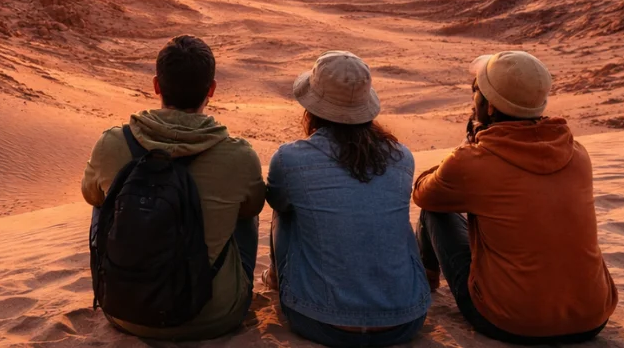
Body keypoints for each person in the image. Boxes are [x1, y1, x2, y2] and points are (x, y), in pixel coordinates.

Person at [414, 51, 618, 344]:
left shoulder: (473, 161)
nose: (474, 100)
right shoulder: (577, 154)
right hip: (592, 317)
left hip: (510, 321)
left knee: (435, 211)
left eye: (477, 92)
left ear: (491, 107)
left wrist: (468, 147)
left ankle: (428, 282)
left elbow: (423, 193)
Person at [82, 35, 265, 340]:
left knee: (103, 197)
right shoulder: (239, 155)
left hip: (124, 313)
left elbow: (91, 196)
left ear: (156, 85)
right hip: (216, 317)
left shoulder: (111, 143)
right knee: (246, 208)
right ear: (212, 90)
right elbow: (252, 208)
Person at [266, 51, 431, 348]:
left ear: (311, 108)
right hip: (405, 319)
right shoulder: (402, 157)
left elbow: (279, 202)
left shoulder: (290, 158)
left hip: (320, 321)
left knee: (285, 207)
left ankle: (276, 278)